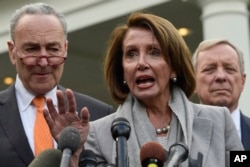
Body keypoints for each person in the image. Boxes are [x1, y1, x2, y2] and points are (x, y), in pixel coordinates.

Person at [46, 12, 244, 166]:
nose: (141, 63)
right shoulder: (98, 134)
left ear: (174, 66)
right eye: (131, 54)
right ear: (123, 71)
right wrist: (73, 154)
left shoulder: (220, 120)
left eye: (154, 52)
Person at [0, 3, 114, 167]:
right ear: (12, 52)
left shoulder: (100, 115)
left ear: (65, 49)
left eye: (53, 49)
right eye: (32, 49)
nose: (44, 61)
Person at [193, 38, 250, 150]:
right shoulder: (178, 137)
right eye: (209, 69)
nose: (221, 76)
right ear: (193, 81)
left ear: (242, 81)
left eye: (230, 69)